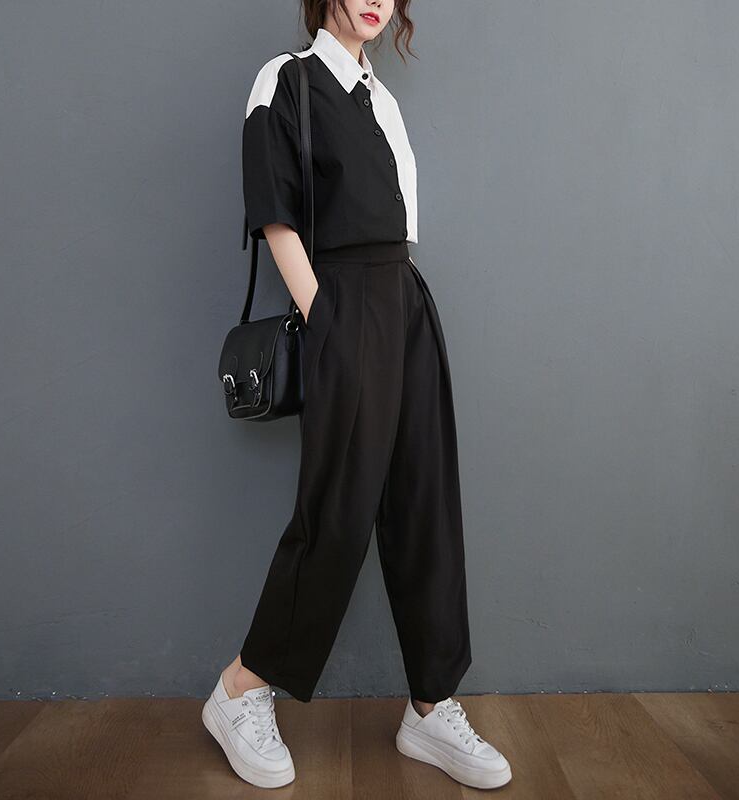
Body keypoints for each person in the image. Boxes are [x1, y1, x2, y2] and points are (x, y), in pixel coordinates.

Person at [202, 1, 512, 790]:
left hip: (405, 302)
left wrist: (391, 311)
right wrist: (326, 320)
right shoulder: (287, 81)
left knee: (424, 503)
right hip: (343, 307)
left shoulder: (383, 99)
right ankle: (239, 688)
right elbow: (275, 216)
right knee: (338, 508)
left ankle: (430, 705)